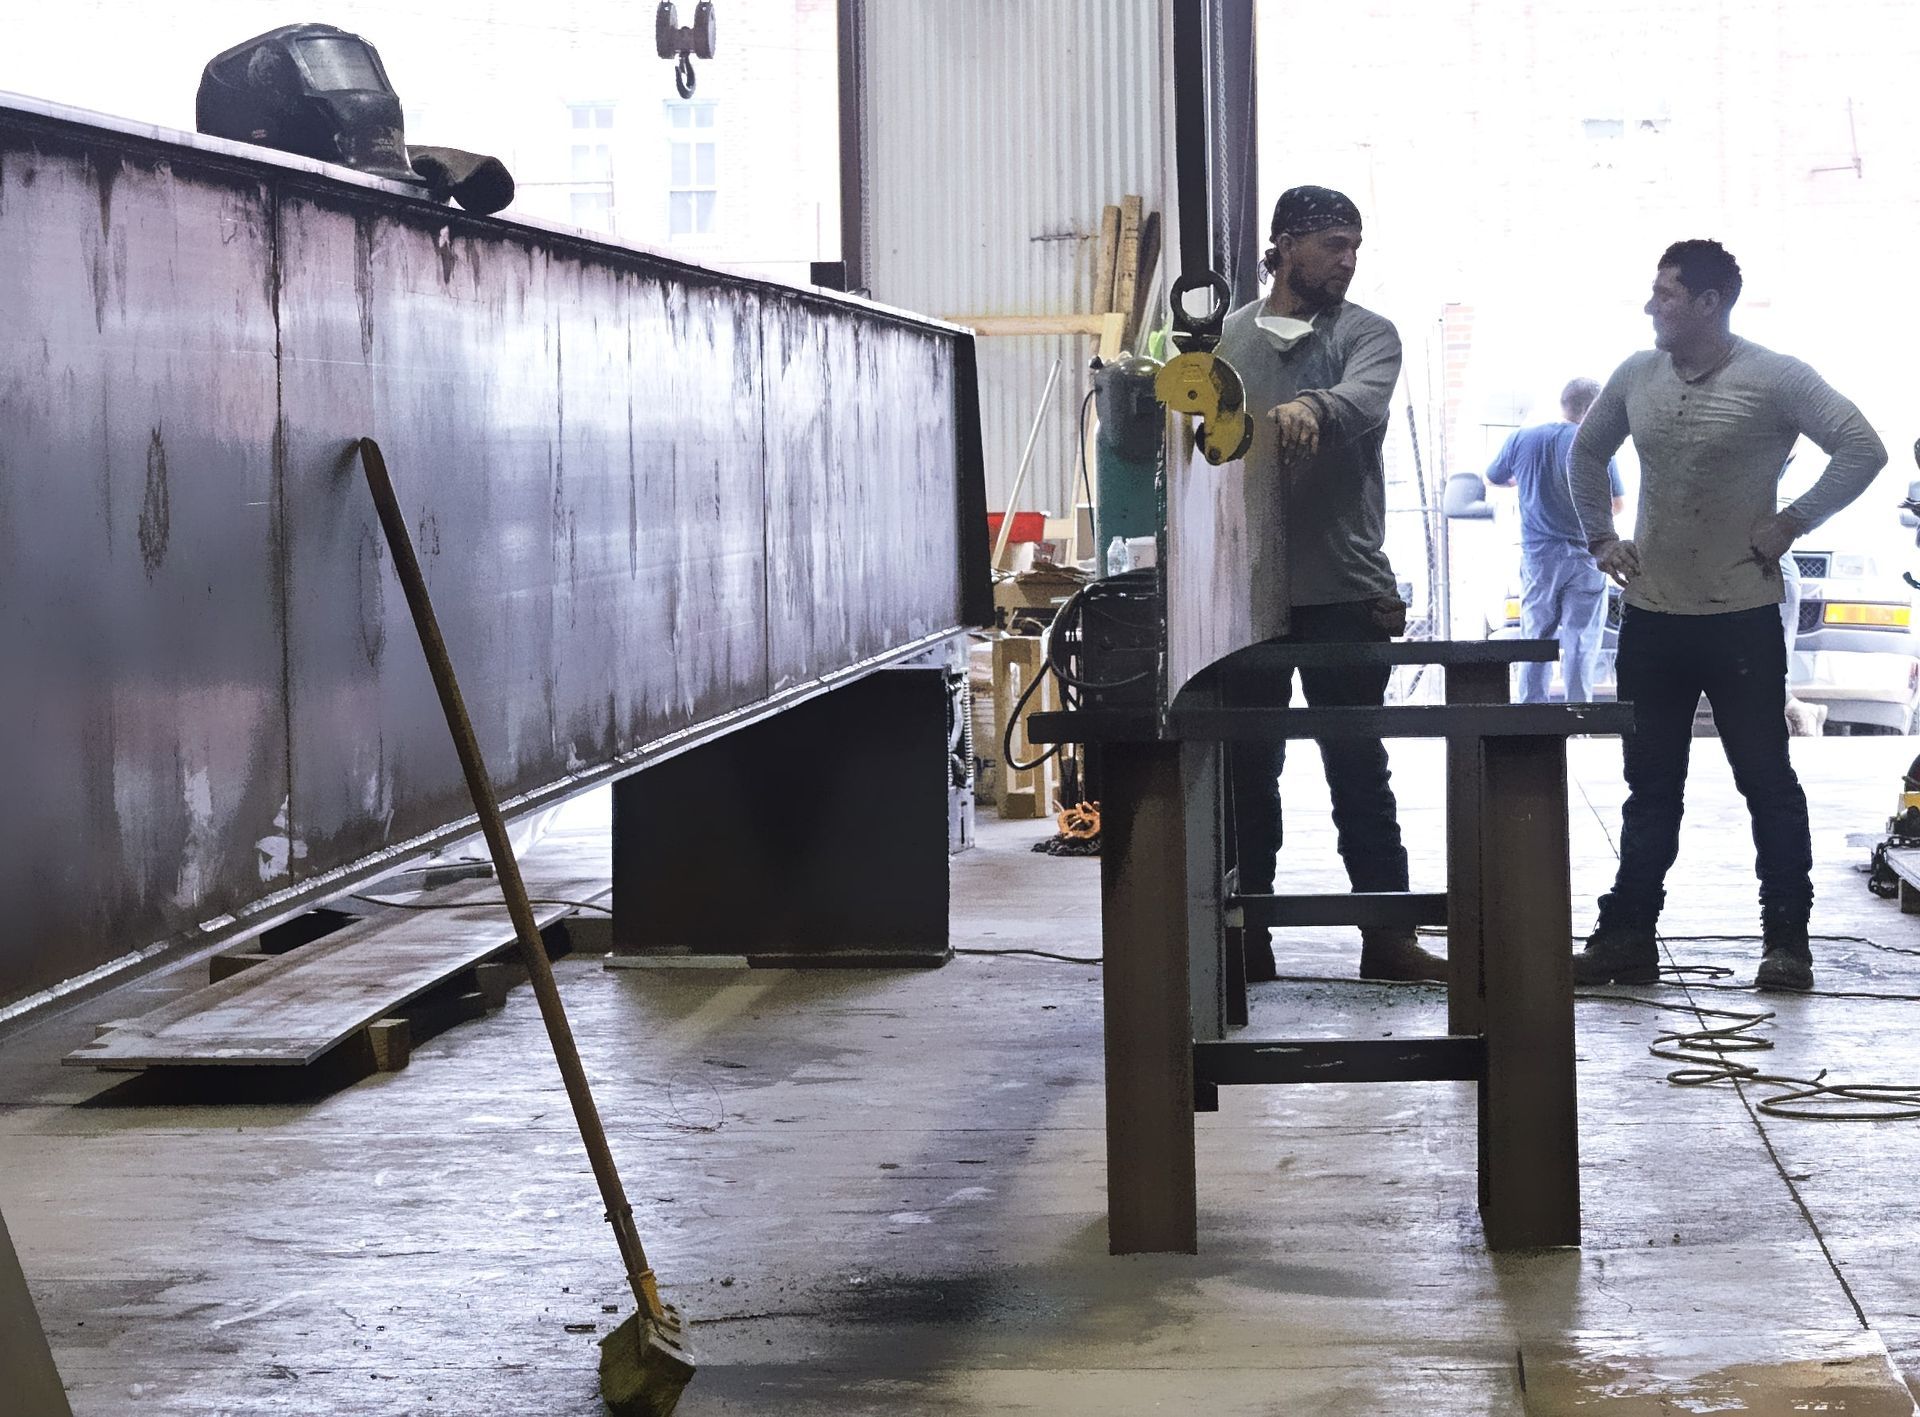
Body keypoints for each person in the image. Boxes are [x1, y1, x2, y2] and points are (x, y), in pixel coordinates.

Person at [1568, 239, 1886, 992]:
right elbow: (1587, 454)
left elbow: (1861, 447)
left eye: (1668, 295)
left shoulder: (1774, 377)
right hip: (1653, 617)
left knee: (1767, 782)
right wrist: (1600, 537)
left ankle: (1787, 944)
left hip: (1739, 617)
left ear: (1710, 304)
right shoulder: (1637, 375)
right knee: (1650, 789)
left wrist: (1792, 522)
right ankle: (1626, 939)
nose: (1653, 306)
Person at [1213, 185, 1445, 984]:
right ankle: (1247, 936)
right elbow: (1182, 425)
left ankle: (1387, 936)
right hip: (1244, 590)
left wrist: (1314, 402)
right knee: (1248, 771)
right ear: (1284, 245)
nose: (1347, 261)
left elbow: (1359, 402)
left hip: (1342, 586)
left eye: (1355, 246)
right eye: (1332, 245)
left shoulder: (1366, 336)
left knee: (1357, 762)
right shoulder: (1226, 336)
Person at [1484, 379, 1626, 702]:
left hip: (1539, 558)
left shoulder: (1523, 439)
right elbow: (1616, 503)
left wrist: (1523, 483)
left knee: (1534, 637)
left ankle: (1530, 714)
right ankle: (1579, 715)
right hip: (1587, 556)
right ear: (1592, 408)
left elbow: (1490, 477)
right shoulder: (1595, 443)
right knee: (1581, 641)